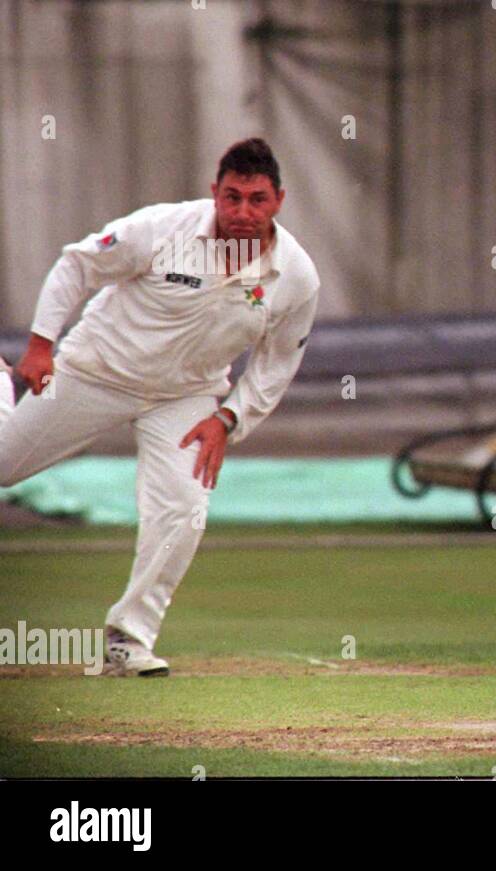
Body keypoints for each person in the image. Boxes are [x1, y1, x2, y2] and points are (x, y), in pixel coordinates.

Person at [0, 138, 320, 677]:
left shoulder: (297, 276)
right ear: (214, 193)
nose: (243, 213)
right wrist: (39, 345)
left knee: (185, 508)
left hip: (184, 397)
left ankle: (128, 639)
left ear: (279, 201)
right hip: (93, 371)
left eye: (257, 200)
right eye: (233, 197)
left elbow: (276, 364)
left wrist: (228, 420)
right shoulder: (162, 228)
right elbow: (77, 265)